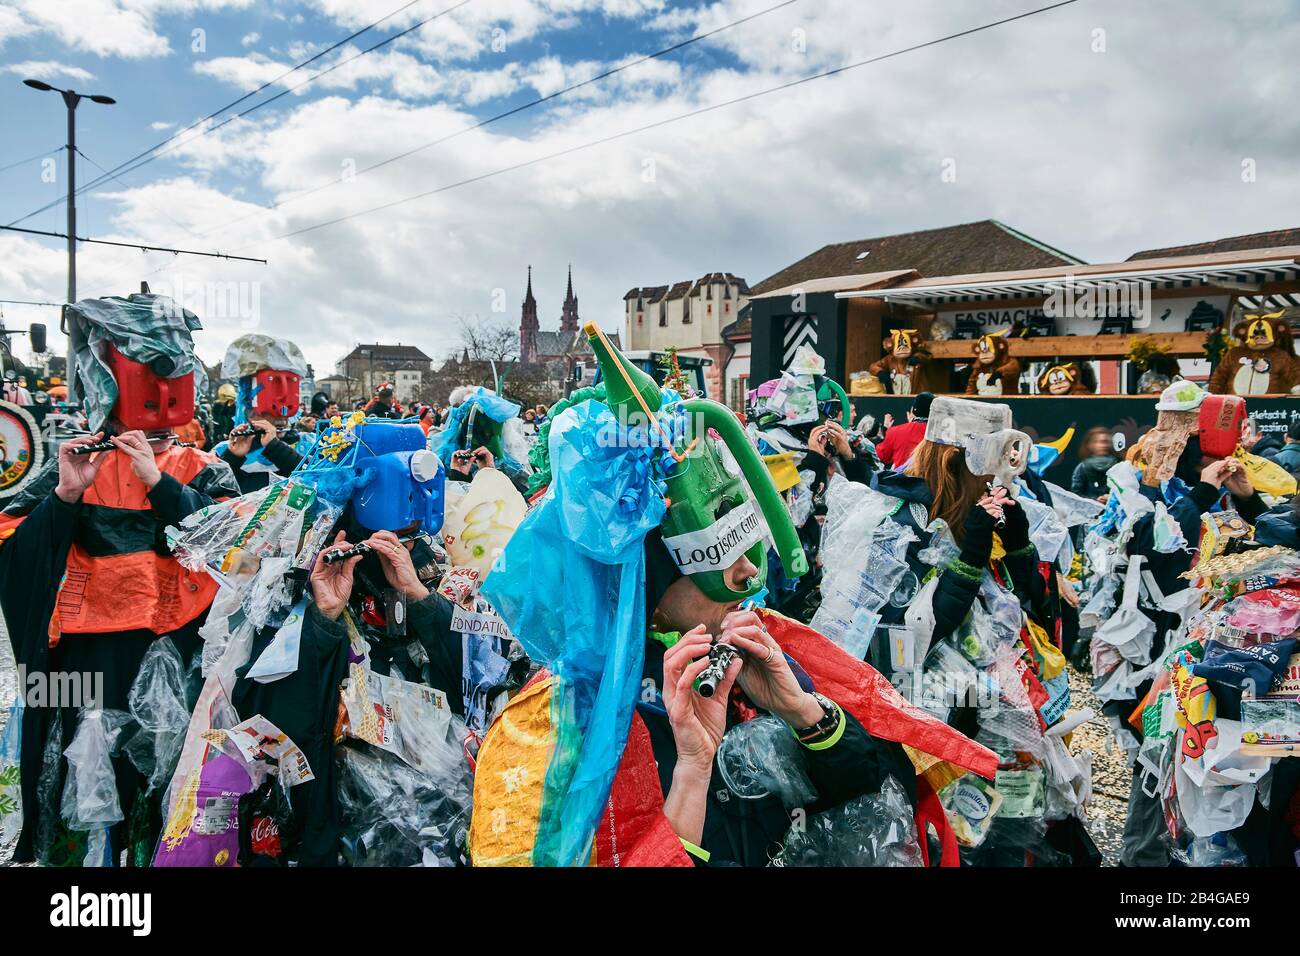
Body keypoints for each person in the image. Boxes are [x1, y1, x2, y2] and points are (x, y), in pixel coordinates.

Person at [468, 325, 993, 867]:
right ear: (639, 582)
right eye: (715, 560)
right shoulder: (552, 726)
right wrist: (692, 774)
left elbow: (879, 801)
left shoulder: (754, 650)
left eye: (747, 545)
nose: (748, 576)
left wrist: (808, 715)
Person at [0, 293, 238, 865]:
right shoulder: (76, 461)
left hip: (180, 653)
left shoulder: (207, 468)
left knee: (168, 783)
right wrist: (64, 497)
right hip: (88, 661)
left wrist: (160, 484)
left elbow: (233, 550)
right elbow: (13, 548)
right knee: (85, 786)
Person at [874, 391, 932, 469]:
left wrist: (884, 434)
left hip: (903, 480)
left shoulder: (895, 432)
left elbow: (882, 456)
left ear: (912, 410)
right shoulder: (941, 434)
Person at [1070, 426, 1117, 501]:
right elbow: (1076, 495)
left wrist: (1112, 498)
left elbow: (1126, 492)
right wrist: (1096, 500)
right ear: (1090, 445)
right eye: (1098, 442)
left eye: (1106, 442)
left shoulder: (1119, 466)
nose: (1103, 445)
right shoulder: (1082, 467)